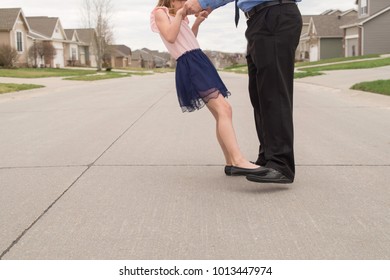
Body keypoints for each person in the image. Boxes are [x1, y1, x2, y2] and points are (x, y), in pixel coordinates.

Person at [185, 0, 303, 184]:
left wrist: (203, 2)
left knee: (274, 92)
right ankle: (267, 158)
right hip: (259, 20)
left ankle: (281, 165)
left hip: (274, 14)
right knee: (260, 95)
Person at [150, 0, 269, 176]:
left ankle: (230, 163)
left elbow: (189, 38)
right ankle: (238, 160)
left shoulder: (179, 16)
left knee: (220, 113)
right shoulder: (160, 12)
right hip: (190, 63)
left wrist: (197, 22)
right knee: (224, 109)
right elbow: (170, 36)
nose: (186, 2)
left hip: (198, 59)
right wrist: (182, 13)